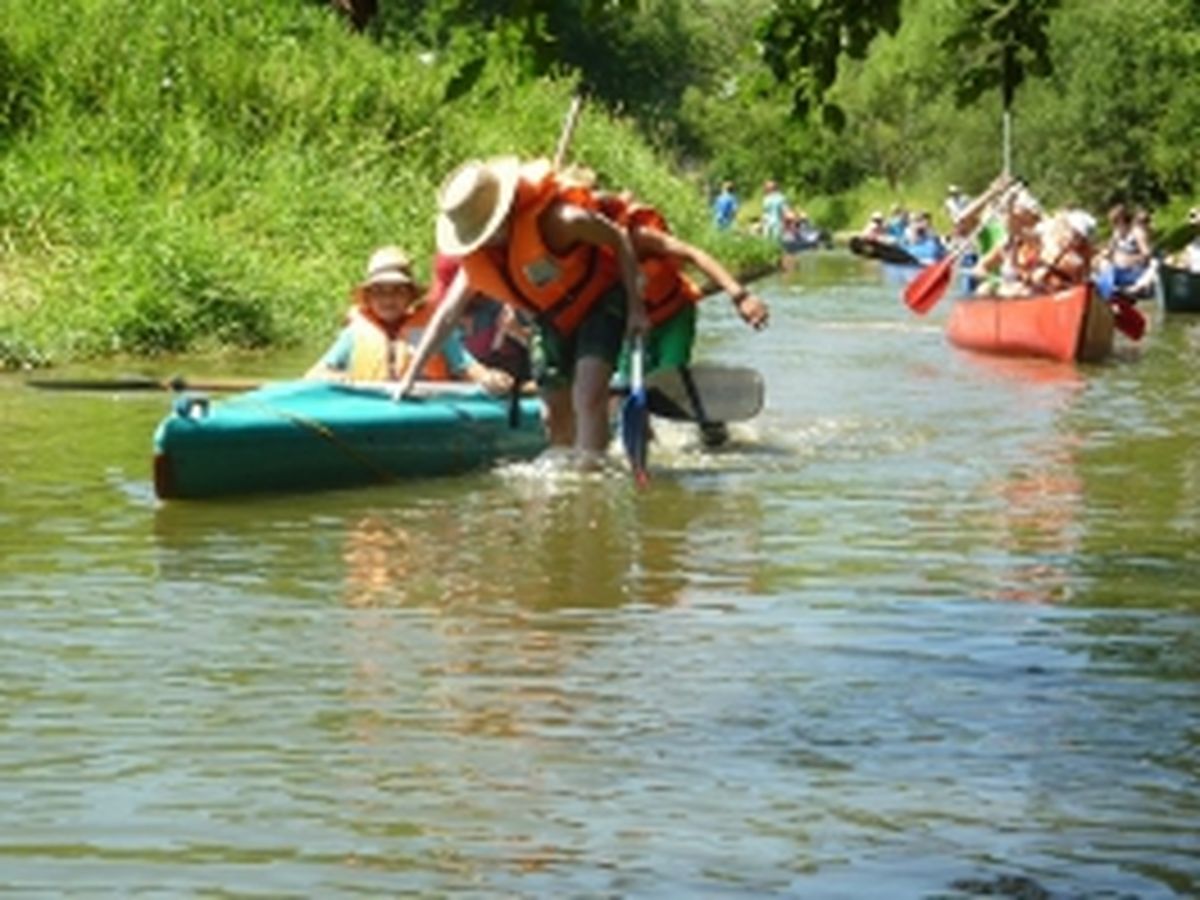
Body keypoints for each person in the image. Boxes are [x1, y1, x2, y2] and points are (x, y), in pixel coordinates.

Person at [392, 156, 647, 468]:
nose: (484, 242)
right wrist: (410, 377)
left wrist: (636, 307)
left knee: (587, 395)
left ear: (505, 212)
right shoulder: (477, 260)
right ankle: (566, 471)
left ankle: (590, 479)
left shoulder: (562, 221)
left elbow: (619, 238)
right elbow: (446, 315)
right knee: (553, 411)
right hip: (550, 316)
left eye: (487, 232)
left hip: (599, 299)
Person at [583, 188, 769, 446]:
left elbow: (695, 254)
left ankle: (710, 423)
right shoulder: (581, 249)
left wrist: (739, 295)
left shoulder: (641, 237)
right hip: (629, 323)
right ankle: (645, 442)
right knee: (627, 384)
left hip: (673, 315)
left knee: (667, 379)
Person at [305, 246, 513, 392]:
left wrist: (489, 378)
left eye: (397, 291)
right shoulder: (353, 335)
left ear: (411, 296)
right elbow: (315, 374)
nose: (388, 299)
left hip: (427, 408)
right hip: (371, 406)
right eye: (379, 292)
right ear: (368, 299)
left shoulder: (434, 332)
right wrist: (338, 378)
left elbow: (467, 367)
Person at [970, 186, 1044, 296]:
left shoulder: (1038, 237)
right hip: (1009, 293)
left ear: (1031, 218)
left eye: (1018, 216)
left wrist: (1009, 205)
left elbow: (1013, 227)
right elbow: (981, 266)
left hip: (1035, 293)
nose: (1013, 217)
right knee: (984, 289)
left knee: (1023, 292)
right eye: (1015, 216)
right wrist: (982, 272)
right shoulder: (1007, 243)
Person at [1095, 202, 1154, 300]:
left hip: (1135, 271)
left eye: (1115, 222)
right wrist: (1102, 256)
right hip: (1119, 271)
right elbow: (1109, 251)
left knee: (1111, 271)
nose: (1113, 226)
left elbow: (1147, 254)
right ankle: (1105, 295)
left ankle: (1105, 298)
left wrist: (1131, 259)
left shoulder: (1137, 232)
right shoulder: (1117, 234)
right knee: (1105, 268)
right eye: (1113, 223)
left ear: (1122, 220)